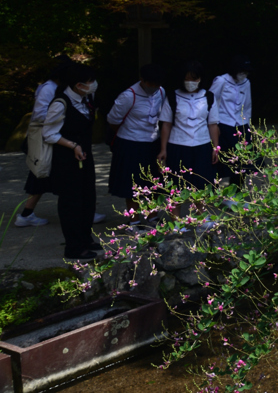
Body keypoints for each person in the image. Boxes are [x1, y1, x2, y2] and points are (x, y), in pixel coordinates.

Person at [42, 63, 102, 260]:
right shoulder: (61, 102)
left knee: (88, 199)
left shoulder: (86, 99)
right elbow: (48, 133)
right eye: (89, 82)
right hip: (67, 160)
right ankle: (74, 246)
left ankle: (85, 238)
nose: (93, 85)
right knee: (71, 203)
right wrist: (72, 145)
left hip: (84, 156)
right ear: (78, 84)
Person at [157, 61, 220, 230]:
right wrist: (163, 149)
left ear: (200, 79)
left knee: (201, 184)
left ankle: (202, 219)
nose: (190, 82)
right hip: (177, 145)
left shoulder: (209, 97)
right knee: (176, 184)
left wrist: (216, 147)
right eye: (186, 79)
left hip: (202, 145)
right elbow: (166, 124)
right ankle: (175, 222)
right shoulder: (172, 97)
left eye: (194, 78)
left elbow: (213, 124)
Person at [106, 64, 166, 224]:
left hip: (152, 142)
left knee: (153, 182)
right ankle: (134, 219)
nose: (153, 87)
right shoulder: (128, 96)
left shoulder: (161, 91)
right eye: (150, 83)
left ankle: (153, 215)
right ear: (142, 80)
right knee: (132, 185)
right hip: (130, 144)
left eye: (156, 84)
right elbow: (113, 120)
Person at [16, 56, 71, 228]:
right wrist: (60, 115)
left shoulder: (55, 87)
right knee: (46, 174)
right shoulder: (49, 88)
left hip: (51, 137)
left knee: (42, 176)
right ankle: (79, 211)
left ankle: (27, 213)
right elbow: (39, 114)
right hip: (46, 138)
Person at [210, 55, 253, 187]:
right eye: (241, 71)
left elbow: (247, 105)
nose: (243, 74)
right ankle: (214, 190)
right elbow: (211, 101)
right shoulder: (221, 81)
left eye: (246, 72)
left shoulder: (246, 83)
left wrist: (248, 126)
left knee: (242, 160)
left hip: (241, 124)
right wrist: (213, 123)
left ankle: (236, 190)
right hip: (223, 124)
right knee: (220, 158)